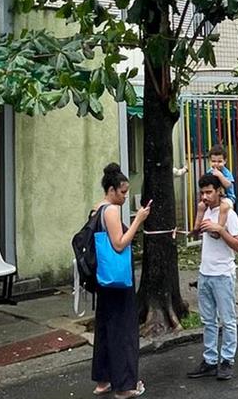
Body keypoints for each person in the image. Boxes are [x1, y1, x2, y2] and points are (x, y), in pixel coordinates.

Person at [91, 164, 150, 398]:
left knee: (105, 328)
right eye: (123, 192)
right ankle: (125, 386)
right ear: (113, 189)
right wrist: (139, 220)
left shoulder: (97, 208)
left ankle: (103, 380)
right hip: (118, 279)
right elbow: (119, 243)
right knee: (123, 331)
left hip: (103, 277)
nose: (125, 196)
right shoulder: (112, 211)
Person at [186, 174, 238, 382]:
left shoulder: (229, 214)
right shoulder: (206, 209)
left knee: (227, 320)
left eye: (209, 192)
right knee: (207, 321)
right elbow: (194, 233)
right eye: (202, 193)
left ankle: (227, 360)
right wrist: (199, 216)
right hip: (205, 273)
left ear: (219, 191)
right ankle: (210, 361)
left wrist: (220, 229)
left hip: (223, 275)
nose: (205, 196)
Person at [192, 145, 235, 240]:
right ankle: (196, 228)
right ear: (209, 161)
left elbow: (228, 185)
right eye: (213, 161)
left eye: (219, 161)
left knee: (224, 208)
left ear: (225, 161)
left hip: (227, 198)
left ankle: (218, 229)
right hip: (215, 198)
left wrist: (220, 176)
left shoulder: (226, 172)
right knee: (201, 206)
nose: (216, 164)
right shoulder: (210, 171)